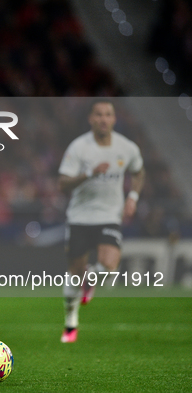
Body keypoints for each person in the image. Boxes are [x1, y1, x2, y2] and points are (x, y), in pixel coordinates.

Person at [57, 100, 145, 343]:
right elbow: (62, 183)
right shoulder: (79, 148)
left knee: (109, 265)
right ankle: (71, 322)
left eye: (108, 114)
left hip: (109, 215)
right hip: (80, 217)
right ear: (91, 119)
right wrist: (89, 174)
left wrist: (133, 197)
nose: (103, 119)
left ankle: (90, 279)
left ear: (114, 119)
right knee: (74, 274)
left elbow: (138, 171)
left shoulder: (126, 148)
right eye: (99, 115)